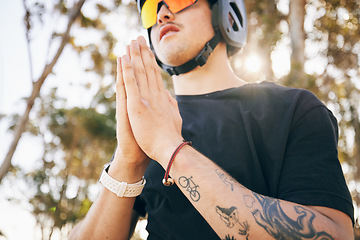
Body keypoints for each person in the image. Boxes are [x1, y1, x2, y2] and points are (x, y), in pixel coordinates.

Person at [69, 0, 354, 239]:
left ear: (225, 11)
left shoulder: (293, 108)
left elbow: (334, 233)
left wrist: (170, 148)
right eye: (151, 8)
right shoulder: (149, 123)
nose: (162, 14)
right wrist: (127, 163)